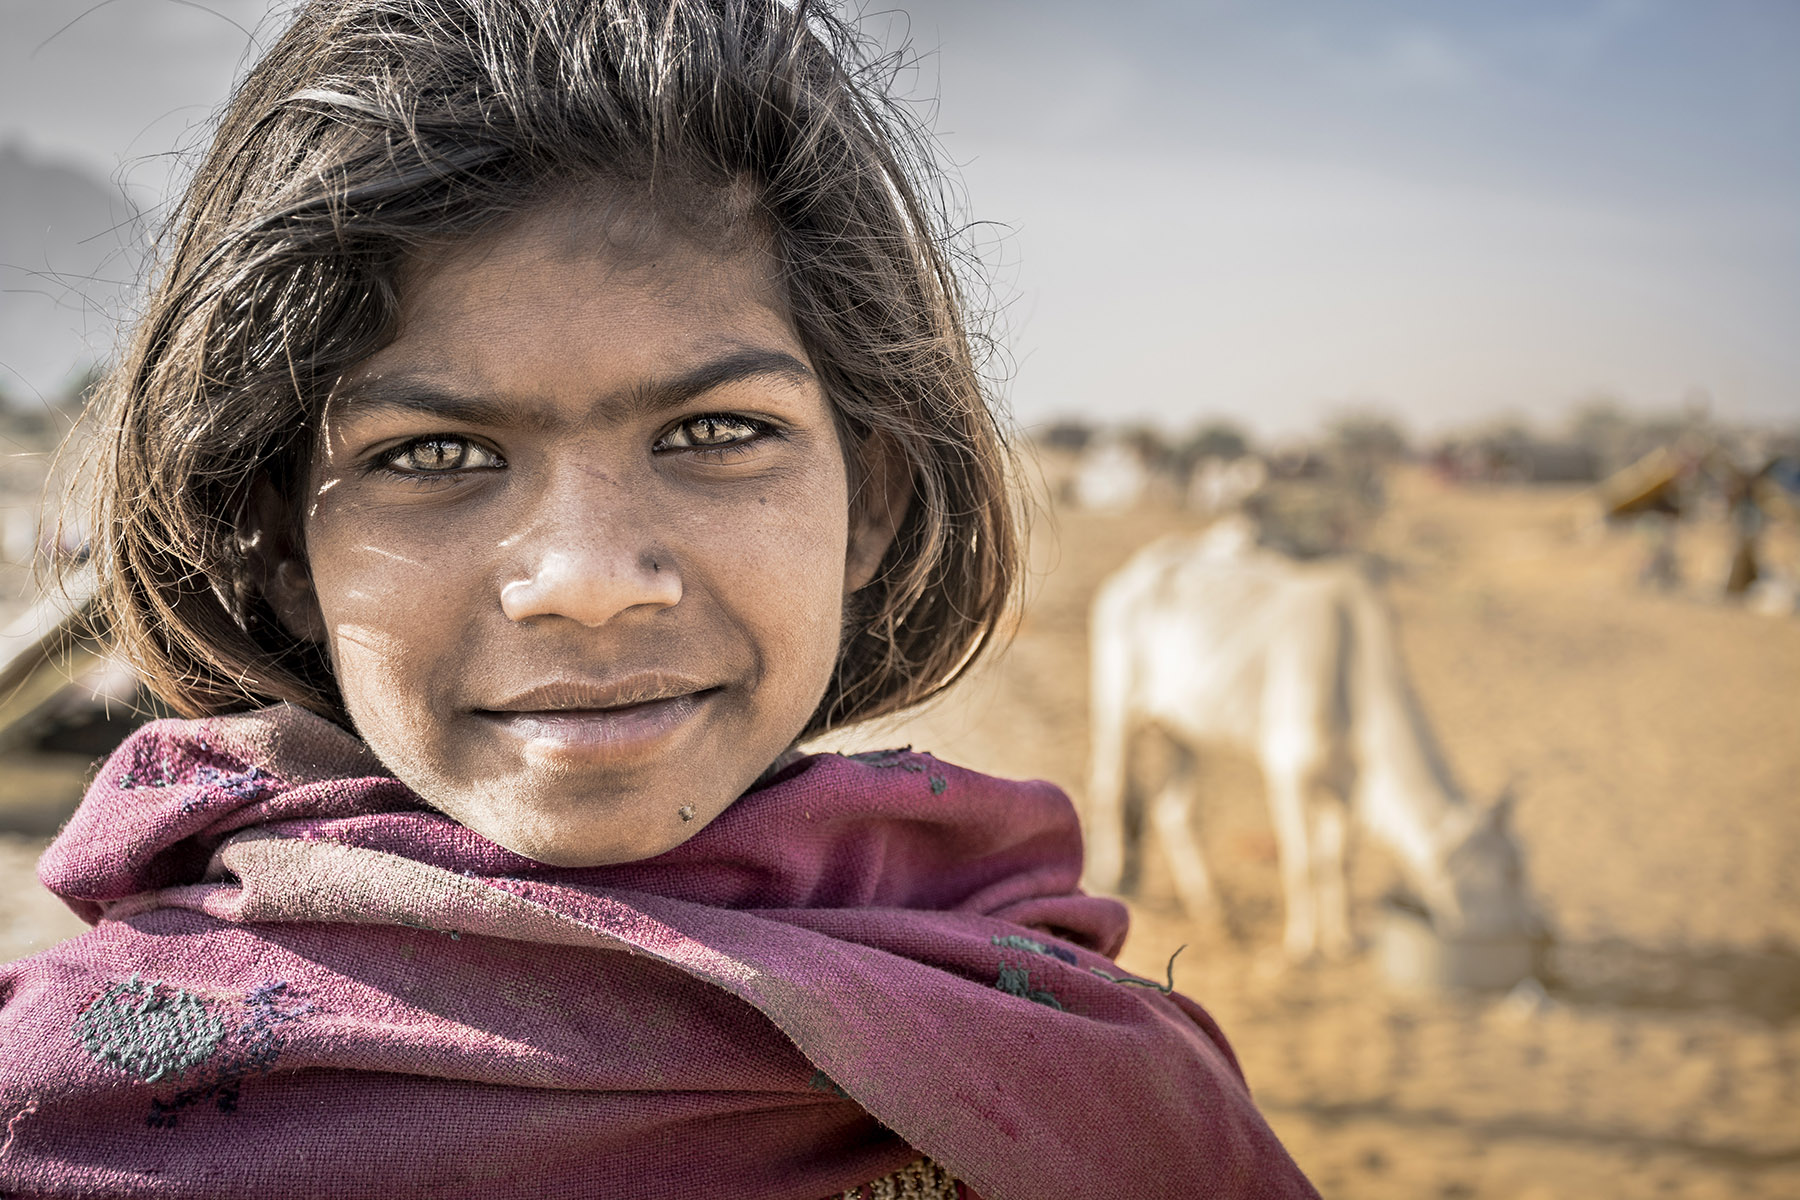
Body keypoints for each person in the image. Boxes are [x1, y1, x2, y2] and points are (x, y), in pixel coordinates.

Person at [0, 2, 1318, 1196]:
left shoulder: (1102, 1087)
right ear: (280, 541)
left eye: (711, 432)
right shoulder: (50, 1111)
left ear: (876, 500)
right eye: (435, 454)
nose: (585, 582)